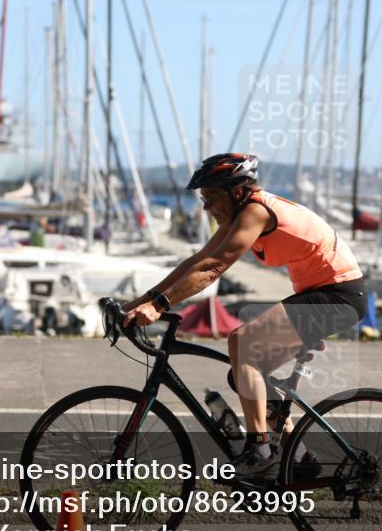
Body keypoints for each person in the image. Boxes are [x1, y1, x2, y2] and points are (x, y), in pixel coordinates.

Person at [123, 153, 367, 480]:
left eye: (211, 198)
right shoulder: (239, 215)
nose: (206, 208)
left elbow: (212, 269)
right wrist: (140, 302)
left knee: (242, 341)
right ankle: (301, 458)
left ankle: (260, 453)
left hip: (339, 294)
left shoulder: (255, 211)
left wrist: (160, 306)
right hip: (321, 294)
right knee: (245, 375)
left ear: (236, 192)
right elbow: (198, 259)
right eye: (203, 199)